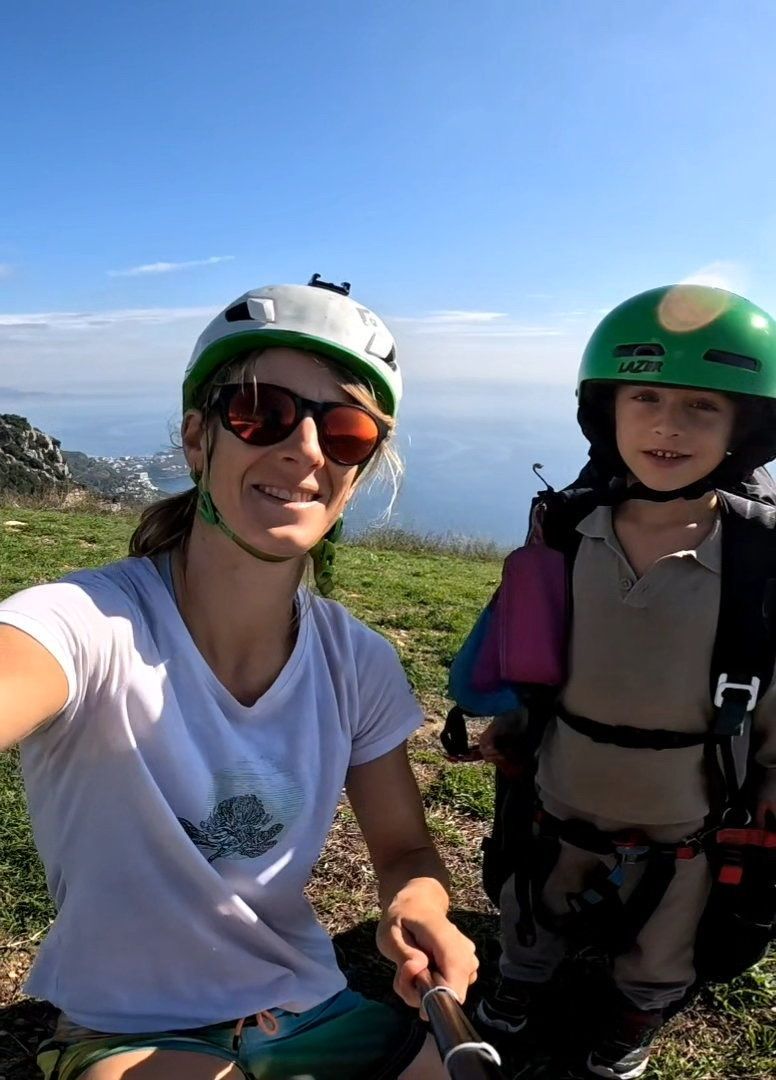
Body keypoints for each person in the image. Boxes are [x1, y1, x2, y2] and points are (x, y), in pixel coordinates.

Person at [0, 276, 479, 1080]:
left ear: (359, 470)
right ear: (198, 438)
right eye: (262, 413)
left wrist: (420, 903)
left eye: (349, 432)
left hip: (311, 1009)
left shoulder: (356, 661)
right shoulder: (85, 623)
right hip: (129, 1031)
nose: (305, 450)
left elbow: (403, 850)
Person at [470, 284, 776, 1079]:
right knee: (537, 892)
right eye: (645, 397)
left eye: (701, 407)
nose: (667, 425)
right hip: (562, 777)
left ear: (748, 427)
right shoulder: (571, 531)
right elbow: (537, 647)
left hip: (691, 802)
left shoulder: (759, 561)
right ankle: (519, 980)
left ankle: (635, 1010)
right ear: (606, 409)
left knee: (670, 925)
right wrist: (510, 722)